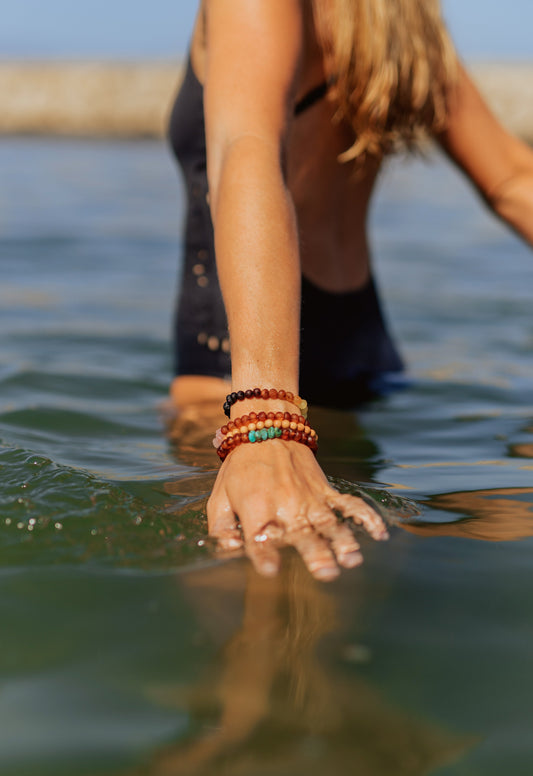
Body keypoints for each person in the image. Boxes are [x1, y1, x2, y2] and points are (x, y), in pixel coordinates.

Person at [167, 0, 533, 582]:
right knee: (348, 577)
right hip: (353, 359)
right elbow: (514, 180)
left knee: (267, 610)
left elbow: (247, 147)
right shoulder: (398, 12)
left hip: (244, 379)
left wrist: (265, 416)